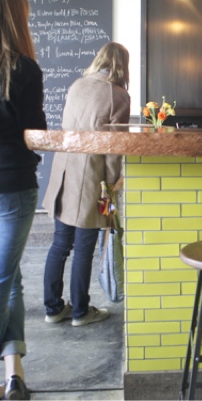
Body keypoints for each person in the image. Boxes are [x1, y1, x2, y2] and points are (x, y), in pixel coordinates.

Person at [42, 42, 130, 328]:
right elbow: (113, 148)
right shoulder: (118, 95)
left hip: (63, 172)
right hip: (91, 179)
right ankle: (81, 312)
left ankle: (53, 308)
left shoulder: (77, 85)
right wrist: (113, 185)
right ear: (122, 65)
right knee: (83, 248)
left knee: (59, 245)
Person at [0, 0, 48, 400]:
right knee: (3, 279)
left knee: (11, 276)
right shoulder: (23, 69)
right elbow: (34, 133)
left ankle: (13, 373)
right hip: (13, 186)